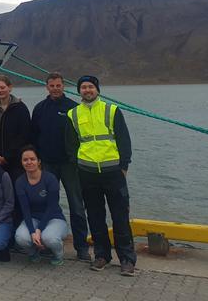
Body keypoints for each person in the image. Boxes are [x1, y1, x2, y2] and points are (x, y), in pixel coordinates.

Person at [65, 75, 137, 276]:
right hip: (87, 173)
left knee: (120, 217)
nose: (87, 90)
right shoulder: (73, 114)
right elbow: (71, 144)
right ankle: (102, 255)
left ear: (97, 90)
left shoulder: (111, 110)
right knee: (95, 217)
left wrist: (124, 166)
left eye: (90, 87)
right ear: (79, 91)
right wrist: (78, 165)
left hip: (113, 172)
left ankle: (127, 259)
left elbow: (124, 139)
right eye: (83, 87)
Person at [31, 72, 90, 261]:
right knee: (48, 204)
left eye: (58, 85)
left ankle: (81, 247)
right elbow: (34, 136)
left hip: (69, 164)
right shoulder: (40, 109)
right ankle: (47, 243)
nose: (55, 88)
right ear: (46, 87)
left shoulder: (73, 108)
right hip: (47, 164)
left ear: (63, 86)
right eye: (52, 85)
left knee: (76, 205)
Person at [14, 145, 68, 266]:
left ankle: (58, 255)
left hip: (54, 218)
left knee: (49, 238)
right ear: (21, 163)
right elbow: (25, 210)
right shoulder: (20, 182)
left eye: (32, 159)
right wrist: (33, 232)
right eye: (25, 160)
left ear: (39, 161)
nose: (29, 162)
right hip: (33, 218)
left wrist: (39, 230)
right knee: (21, 238)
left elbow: (52, 207)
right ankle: (33, 253)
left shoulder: (50, 179)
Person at [0, 75, 31, 184]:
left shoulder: (20, 108)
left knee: (15, 191)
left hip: (15, 160)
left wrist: (8, 156)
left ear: (10, 88)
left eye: (2, 87)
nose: (0, 90)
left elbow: (24, 134)